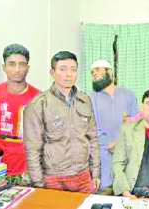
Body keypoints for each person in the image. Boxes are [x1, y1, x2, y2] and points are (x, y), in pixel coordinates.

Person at [23, 51, 100, 192]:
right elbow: (32, 149)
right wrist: (39, 184)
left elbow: (93, 138)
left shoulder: (85, 100)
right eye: (63, 69)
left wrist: (95, 172)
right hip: (53, 179)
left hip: (83, 176)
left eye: (73, 70)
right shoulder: (38, 104)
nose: (69, 74)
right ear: (52, 73)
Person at [0, 43, 40, 185]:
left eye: (22, 64)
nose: (17, 70)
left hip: (28, 169)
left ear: (28, 68)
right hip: (1, 168)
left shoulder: (38, 97)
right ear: (4, 67)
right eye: (12, 64)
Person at [89, 59, 139, 193]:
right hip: (102, 153)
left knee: (126, 191)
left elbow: (135, 123)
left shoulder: (128, 95)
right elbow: (90, 127)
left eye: (98, 70)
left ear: (109, 72)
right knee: (105, 191)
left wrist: (120, 143)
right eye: (92, 72)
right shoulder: (90, 98)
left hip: (126, 152)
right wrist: (108, 144)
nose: (94, 74)